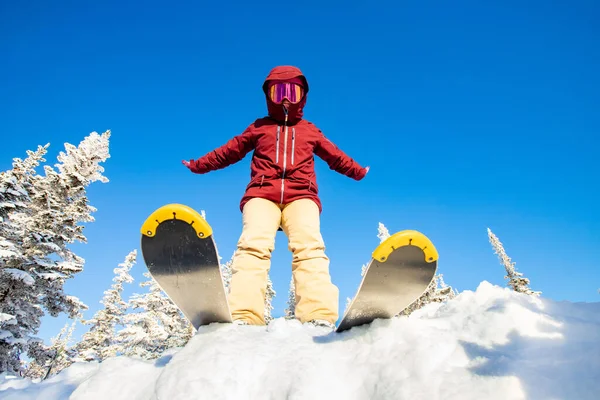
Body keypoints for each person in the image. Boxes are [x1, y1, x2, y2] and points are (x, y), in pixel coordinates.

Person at [182, 65, 369, 329]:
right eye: (278, 91)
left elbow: (334, 155)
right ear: (268, 95)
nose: (284, 99)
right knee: (252, 247)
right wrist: (199, 164)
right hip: (262, 194)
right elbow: (229, 151)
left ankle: (318, 314)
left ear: (302, 96)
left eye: (292, 91)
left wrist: (357, 171)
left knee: (309, 247)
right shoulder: (259, 127)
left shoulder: (309, 130)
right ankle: (244, 315)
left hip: (301, 195)